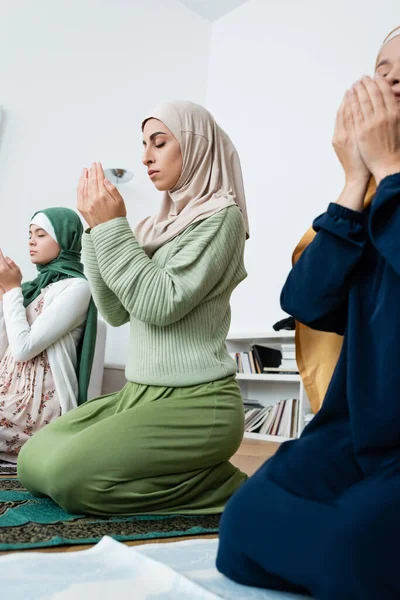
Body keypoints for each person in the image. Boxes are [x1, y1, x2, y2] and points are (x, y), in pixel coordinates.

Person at [216, 26, 400, 600]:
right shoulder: (370, 206)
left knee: (348, 550)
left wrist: (391, 170)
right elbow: (306, 301)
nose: (388, 83)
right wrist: (354, 182)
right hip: (353, 435)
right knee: (240, 527)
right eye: (382, 70)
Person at [17, 101, 250, 516]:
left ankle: (222, 488)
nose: (145, 156)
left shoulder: (222, 219)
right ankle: (189, 474)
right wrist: (93, 231)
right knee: (33, 462)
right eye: (144, 144)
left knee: (72, 481)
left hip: (197, 403)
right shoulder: (151, 228)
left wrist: (111, 228)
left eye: (159, 143)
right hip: (140, 394)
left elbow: (159, 304)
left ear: (196, 148)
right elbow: (117, 309)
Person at [0, 208, 96, 462]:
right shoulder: (34, 289)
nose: (31, 241)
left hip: (36, 405)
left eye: (41, 234)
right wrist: (5, 295)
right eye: (30, 234)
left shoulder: (77, 288)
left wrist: (11, 292)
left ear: (65, 239)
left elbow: (24, 349)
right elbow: (5, 350)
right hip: (7, 392)